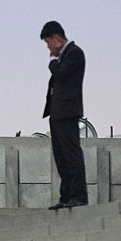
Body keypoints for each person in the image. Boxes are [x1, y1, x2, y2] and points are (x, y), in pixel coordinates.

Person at [41, 20, 89, 210]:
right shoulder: (64, 56)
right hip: (57, 112)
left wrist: (53, 60)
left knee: (71, 154)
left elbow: (61, 75)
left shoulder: (74, 53)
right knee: (60, 156)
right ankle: (66, 195)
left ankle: (79, 195)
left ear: (56, 38)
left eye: (48, 42)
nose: (48, 47)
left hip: (68, 112)